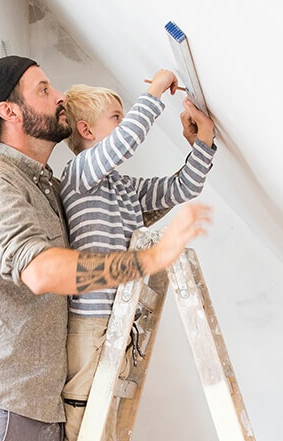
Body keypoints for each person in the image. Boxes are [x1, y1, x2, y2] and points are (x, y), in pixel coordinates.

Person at [0, 56, 212, 441]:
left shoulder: (52, 189)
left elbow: (166, 193)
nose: (59, 96)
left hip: (45, 405)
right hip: (3, 404)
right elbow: (39, 271)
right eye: (43, 89)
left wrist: (203, 144)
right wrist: (150, 259)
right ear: (10, 111)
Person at [59, 72, 217, 441]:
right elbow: (124, 144)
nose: (124, 121)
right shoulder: (78, 174)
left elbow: (184, 186)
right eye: (116, 117)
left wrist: (203, 140)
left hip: (120, 322)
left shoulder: (124, 188)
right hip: (90, 326)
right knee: (84, 425)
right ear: (87, 129)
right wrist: (156, 89)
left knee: (109, 429)